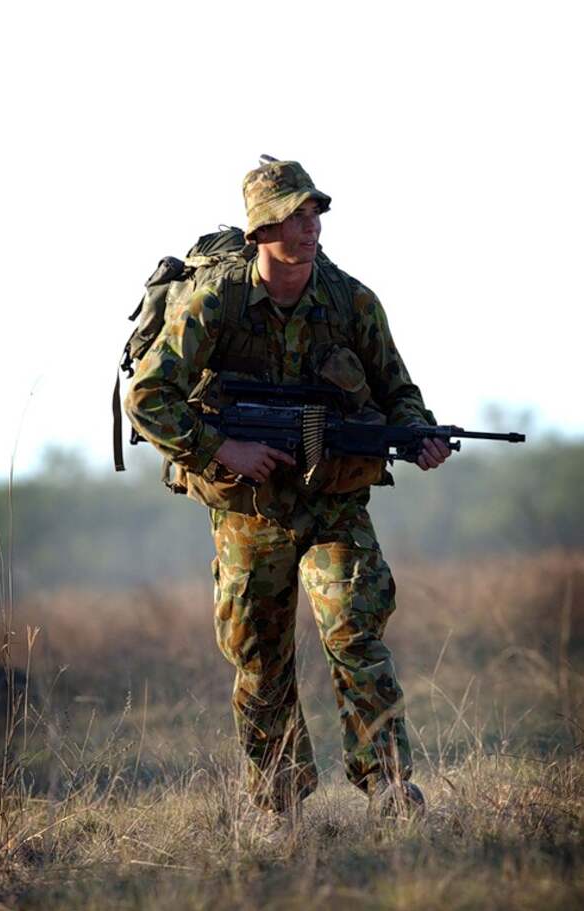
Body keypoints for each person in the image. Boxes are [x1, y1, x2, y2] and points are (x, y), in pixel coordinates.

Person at [125, 158, 451, 827]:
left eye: (315, 214)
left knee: (355, 632)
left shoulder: (349, 300)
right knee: (259, 656)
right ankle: (278, 806)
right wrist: (224, 450)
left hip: (334, 502)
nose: (312, 227)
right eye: (297, 216)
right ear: (262, 228)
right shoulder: (212, 303)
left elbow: (399, 391)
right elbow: (148, 398)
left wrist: (417, 435)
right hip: (249, 510)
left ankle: (390, 789)